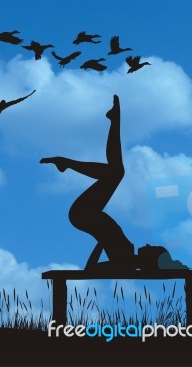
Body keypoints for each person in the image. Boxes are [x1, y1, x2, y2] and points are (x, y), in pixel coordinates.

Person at [41, 95, 136, 270]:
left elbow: (91, 268)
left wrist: (103, 239)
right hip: (88, 214)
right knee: (115, 171)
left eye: (154, 250)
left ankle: (67, 162)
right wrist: (103, 238)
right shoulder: (129, 254)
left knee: (115, 172)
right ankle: (113, 121)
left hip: (84, 214)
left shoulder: (127, 261)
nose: (149, 246)